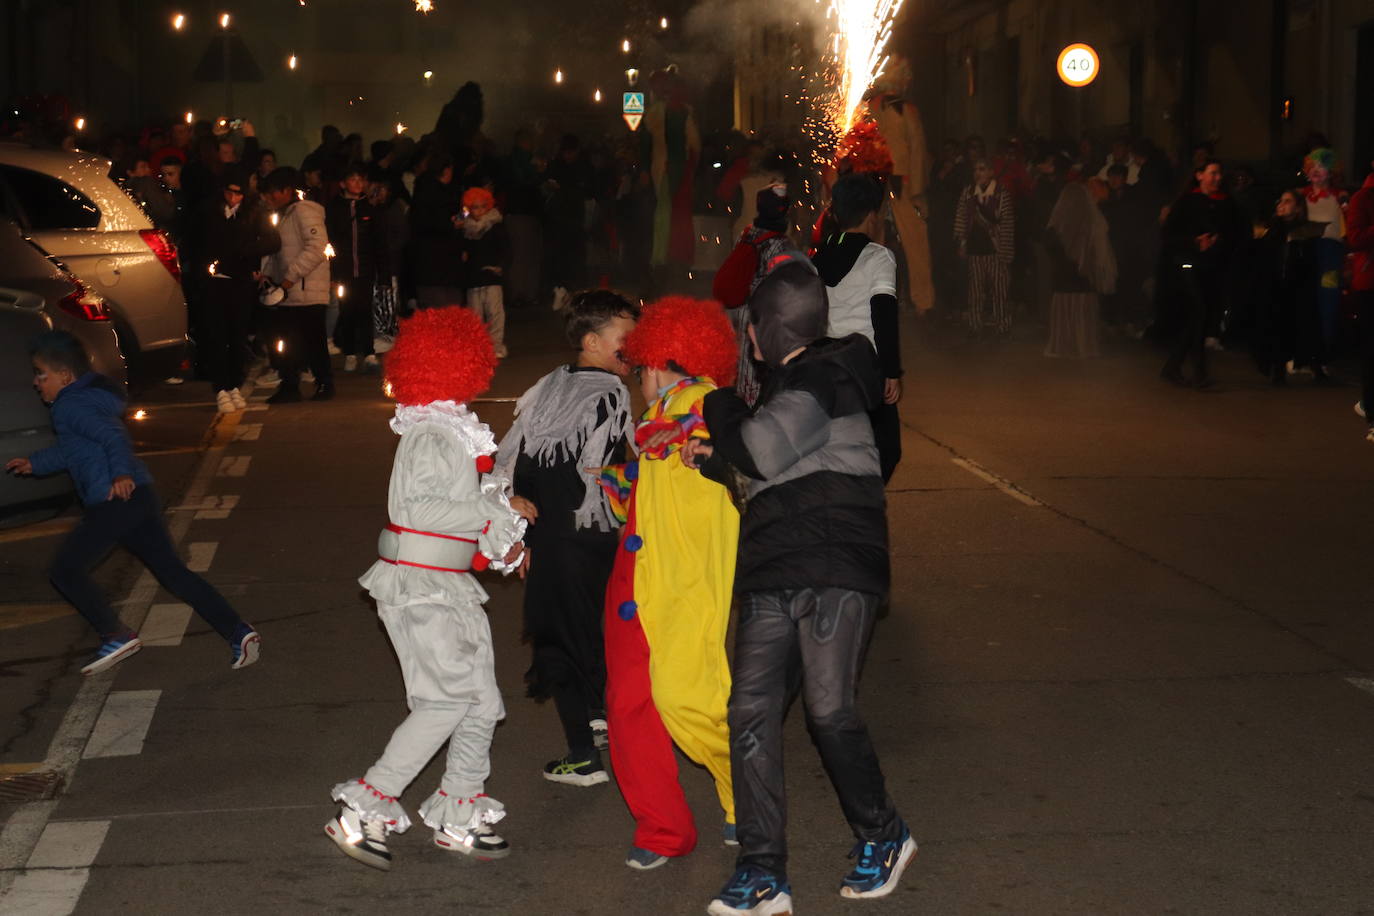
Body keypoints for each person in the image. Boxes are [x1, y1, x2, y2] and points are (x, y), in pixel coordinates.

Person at [684, 253, 914, 915]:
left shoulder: (827, 372)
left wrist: (719, 408)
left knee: (829, 708)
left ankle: (883, 831)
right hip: (775, 565)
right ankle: (762, 873)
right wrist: (712, 463)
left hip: (837, 562)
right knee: (749, 713)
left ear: (763, 332)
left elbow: (758, 451)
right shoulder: (791, 393)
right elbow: (759, 475)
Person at [324, 307, 527, 871]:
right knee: (445, 699)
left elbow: (459, 516)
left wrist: (500, 536)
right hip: (421, 585)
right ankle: (365, 807)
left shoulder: (446, 428)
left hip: (446, 582)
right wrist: (494, 508)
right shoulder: (432, 434)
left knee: (480, 701)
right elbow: (420, 510)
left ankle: (461, 812)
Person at [5, 332, 261, 675]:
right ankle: (238, 631)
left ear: (65, 376)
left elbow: (112, 436)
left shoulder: (70, 405)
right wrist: (35, 463)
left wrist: (119, 475)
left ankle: (115, 634)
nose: (37, 383)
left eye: (42, 374)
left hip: (114, 500)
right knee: (173, 573)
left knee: (65, 570)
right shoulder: (88, 400)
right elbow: (73, 450)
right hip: (139, 496)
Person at [601, 296, 740, 871]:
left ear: (657, 359)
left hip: (685, 586)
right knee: (630, 709)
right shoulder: (665, 415)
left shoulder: (706, 406)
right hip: (637, 583)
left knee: (692, 701)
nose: (636, 381)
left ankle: (749, 795)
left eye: (637, 368)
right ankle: (662, 829)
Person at [495, 290, 639, 789]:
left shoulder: (553, 383)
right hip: (591, 536)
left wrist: (520, 530)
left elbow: (517, 462)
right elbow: (606, 471)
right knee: (592, 632)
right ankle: (600, 730)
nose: (635, 347)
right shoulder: (611, 394)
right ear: (594, 342)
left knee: (561, 637)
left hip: (555, 534)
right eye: (627, 338)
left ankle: (585, 750)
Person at [811, 174, 903, 481]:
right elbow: (883, 312)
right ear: (872, 215)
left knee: (833, 446)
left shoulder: (818, 255)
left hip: (822, 360)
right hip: (864, 365)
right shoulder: (878, 256)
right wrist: (891, 370)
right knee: (885, 448)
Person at [195, 165, 281, 413]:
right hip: (214, 282)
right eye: (230, 192)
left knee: (237, 336)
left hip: (240, 282)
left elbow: (273, 240)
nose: (234, 198)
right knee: (217, 336)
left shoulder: (252, 212)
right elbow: (196, 242)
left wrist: (245, 252)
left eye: (239, 193)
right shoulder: (208, 211)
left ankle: (234, 385)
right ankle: (221, 388)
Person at [1159, 159, 1244, 388]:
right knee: (1199, 311)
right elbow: (1168, 236)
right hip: (1188, 265)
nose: (1217, 178)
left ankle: (1174, 366)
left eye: (1219, 173)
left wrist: (1219, 241)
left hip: (1213, 267)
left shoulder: (1227, 203)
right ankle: (1199, 371)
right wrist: (1194, 243)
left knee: (1200, 316)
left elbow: (1237, 234)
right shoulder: (1187, 202)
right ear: (1199, 175)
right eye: (1212, 173)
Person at [712, 184, 793, 406]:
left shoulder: (747, 233)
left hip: (735, 311)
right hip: (757, 315)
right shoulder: (781, 244)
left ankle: (738, 408)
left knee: (738, 367)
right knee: (754, 371)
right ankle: (751, 416)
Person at [258, 167, 334, 403]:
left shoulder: (303, 211)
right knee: (290, 341)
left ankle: (323, 384)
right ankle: (291, 385)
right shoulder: (286, 213)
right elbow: (279, 252)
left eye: (273, 193)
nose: (269, 198)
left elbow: (317, 246)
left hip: (306, 289)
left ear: (287, 191)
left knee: (312, 340)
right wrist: (269, 275)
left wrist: (290, 277)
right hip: (292, 290)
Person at [1253, 190, 1322, 385]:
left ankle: (1312, 363)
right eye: (1280, 200)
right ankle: (1277, 366)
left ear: (1298, 207)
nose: (1281, 205)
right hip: (1276, 285)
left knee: (1301, 325)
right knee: (1275, 325)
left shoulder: (1304, 231)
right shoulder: (1274, 229)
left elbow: (1309, 261)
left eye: (1288, 201)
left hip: (1297, 286)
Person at [1043, 182, 1117, 359]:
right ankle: (1082, 343)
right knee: (1082, 311)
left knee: (1064, 309)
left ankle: (1063, 345)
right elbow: (1099, 254)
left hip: (1062, 281)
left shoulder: (1056, 225)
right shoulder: (1091, 224)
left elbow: (1050, 247)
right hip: (1084, 281)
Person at [326, 164, 382, 373]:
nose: (358, 183)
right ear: (343, 183)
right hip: (343, 270)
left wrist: (382, 272)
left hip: (366, 270)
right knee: (347, 310)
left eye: (361, 179)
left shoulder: (370, 208)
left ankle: (368, 352)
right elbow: (330, 241)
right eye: (353, 179)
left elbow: (379, 242)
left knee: (365, 310)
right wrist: (332, 271)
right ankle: (350, 353)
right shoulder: (334, 208)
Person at [954, 158, 1015, 336]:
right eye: (976, 170)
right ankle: (975, 324)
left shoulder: (1001, 193)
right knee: (975, 290)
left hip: (995, 249)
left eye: (982, 169)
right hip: (975, 249)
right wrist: (961, 242)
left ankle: (1002, 324)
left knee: (1000, 290)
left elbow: (1007, 225)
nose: (978, 173)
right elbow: (961, 219)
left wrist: (1005, 251)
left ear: (991, 172)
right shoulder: (968, 193)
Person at [409, 153, 466, 310]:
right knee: (441, 304)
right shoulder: (432, 194)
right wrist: (451, 225)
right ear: (446, 170)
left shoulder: (426, 191)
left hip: (439, 259)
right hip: (435, 258)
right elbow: (424, 221)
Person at [460, 186, 509, 358]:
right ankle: (478, 347)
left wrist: (500, 266)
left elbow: (505, 248)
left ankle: (495, 346)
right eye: (475, 207)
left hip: (491, 274)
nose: (479, 211)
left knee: (495, 314)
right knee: (475, 316)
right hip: (473, 276)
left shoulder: (495, 225)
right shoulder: (465, 228)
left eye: (482, 206)